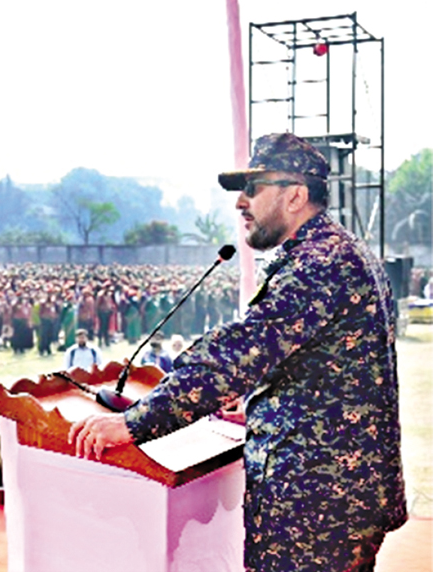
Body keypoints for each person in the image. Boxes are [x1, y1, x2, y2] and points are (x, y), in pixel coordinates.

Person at [69, 133, 407, 572]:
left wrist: (133, 423)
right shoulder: (338, 250)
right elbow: (323, 369)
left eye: (253, 188)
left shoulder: (320, 264)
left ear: (295, 196)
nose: (240, 203)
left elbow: (234, 357)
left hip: (318, 505)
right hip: (332, 494)